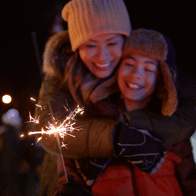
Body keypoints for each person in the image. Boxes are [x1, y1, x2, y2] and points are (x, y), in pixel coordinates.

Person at [34, 0, 196, 195]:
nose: (102, 56)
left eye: (111, 42)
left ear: (125, 42)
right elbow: (49, 131)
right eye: (90, 45)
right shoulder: (61, 79)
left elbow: (184, 118)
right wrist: (115, 136)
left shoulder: (141, 86)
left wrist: (134, 125)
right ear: (76, 47)